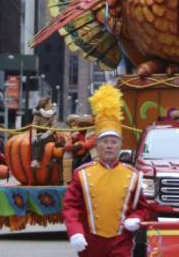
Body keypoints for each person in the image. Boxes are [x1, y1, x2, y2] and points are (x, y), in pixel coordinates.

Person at [62, 84, 150, 256]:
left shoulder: (132, 174)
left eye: (114, 142)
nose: (109, 146)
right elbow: (71, 208)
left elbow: (144, 207)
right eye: (105, 141)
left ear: (120, 146)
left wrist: (137, 218)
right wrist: (76, 232)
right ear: (97, 145)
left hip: (121, 242)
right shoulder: (82, 174)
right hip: (89, 243)